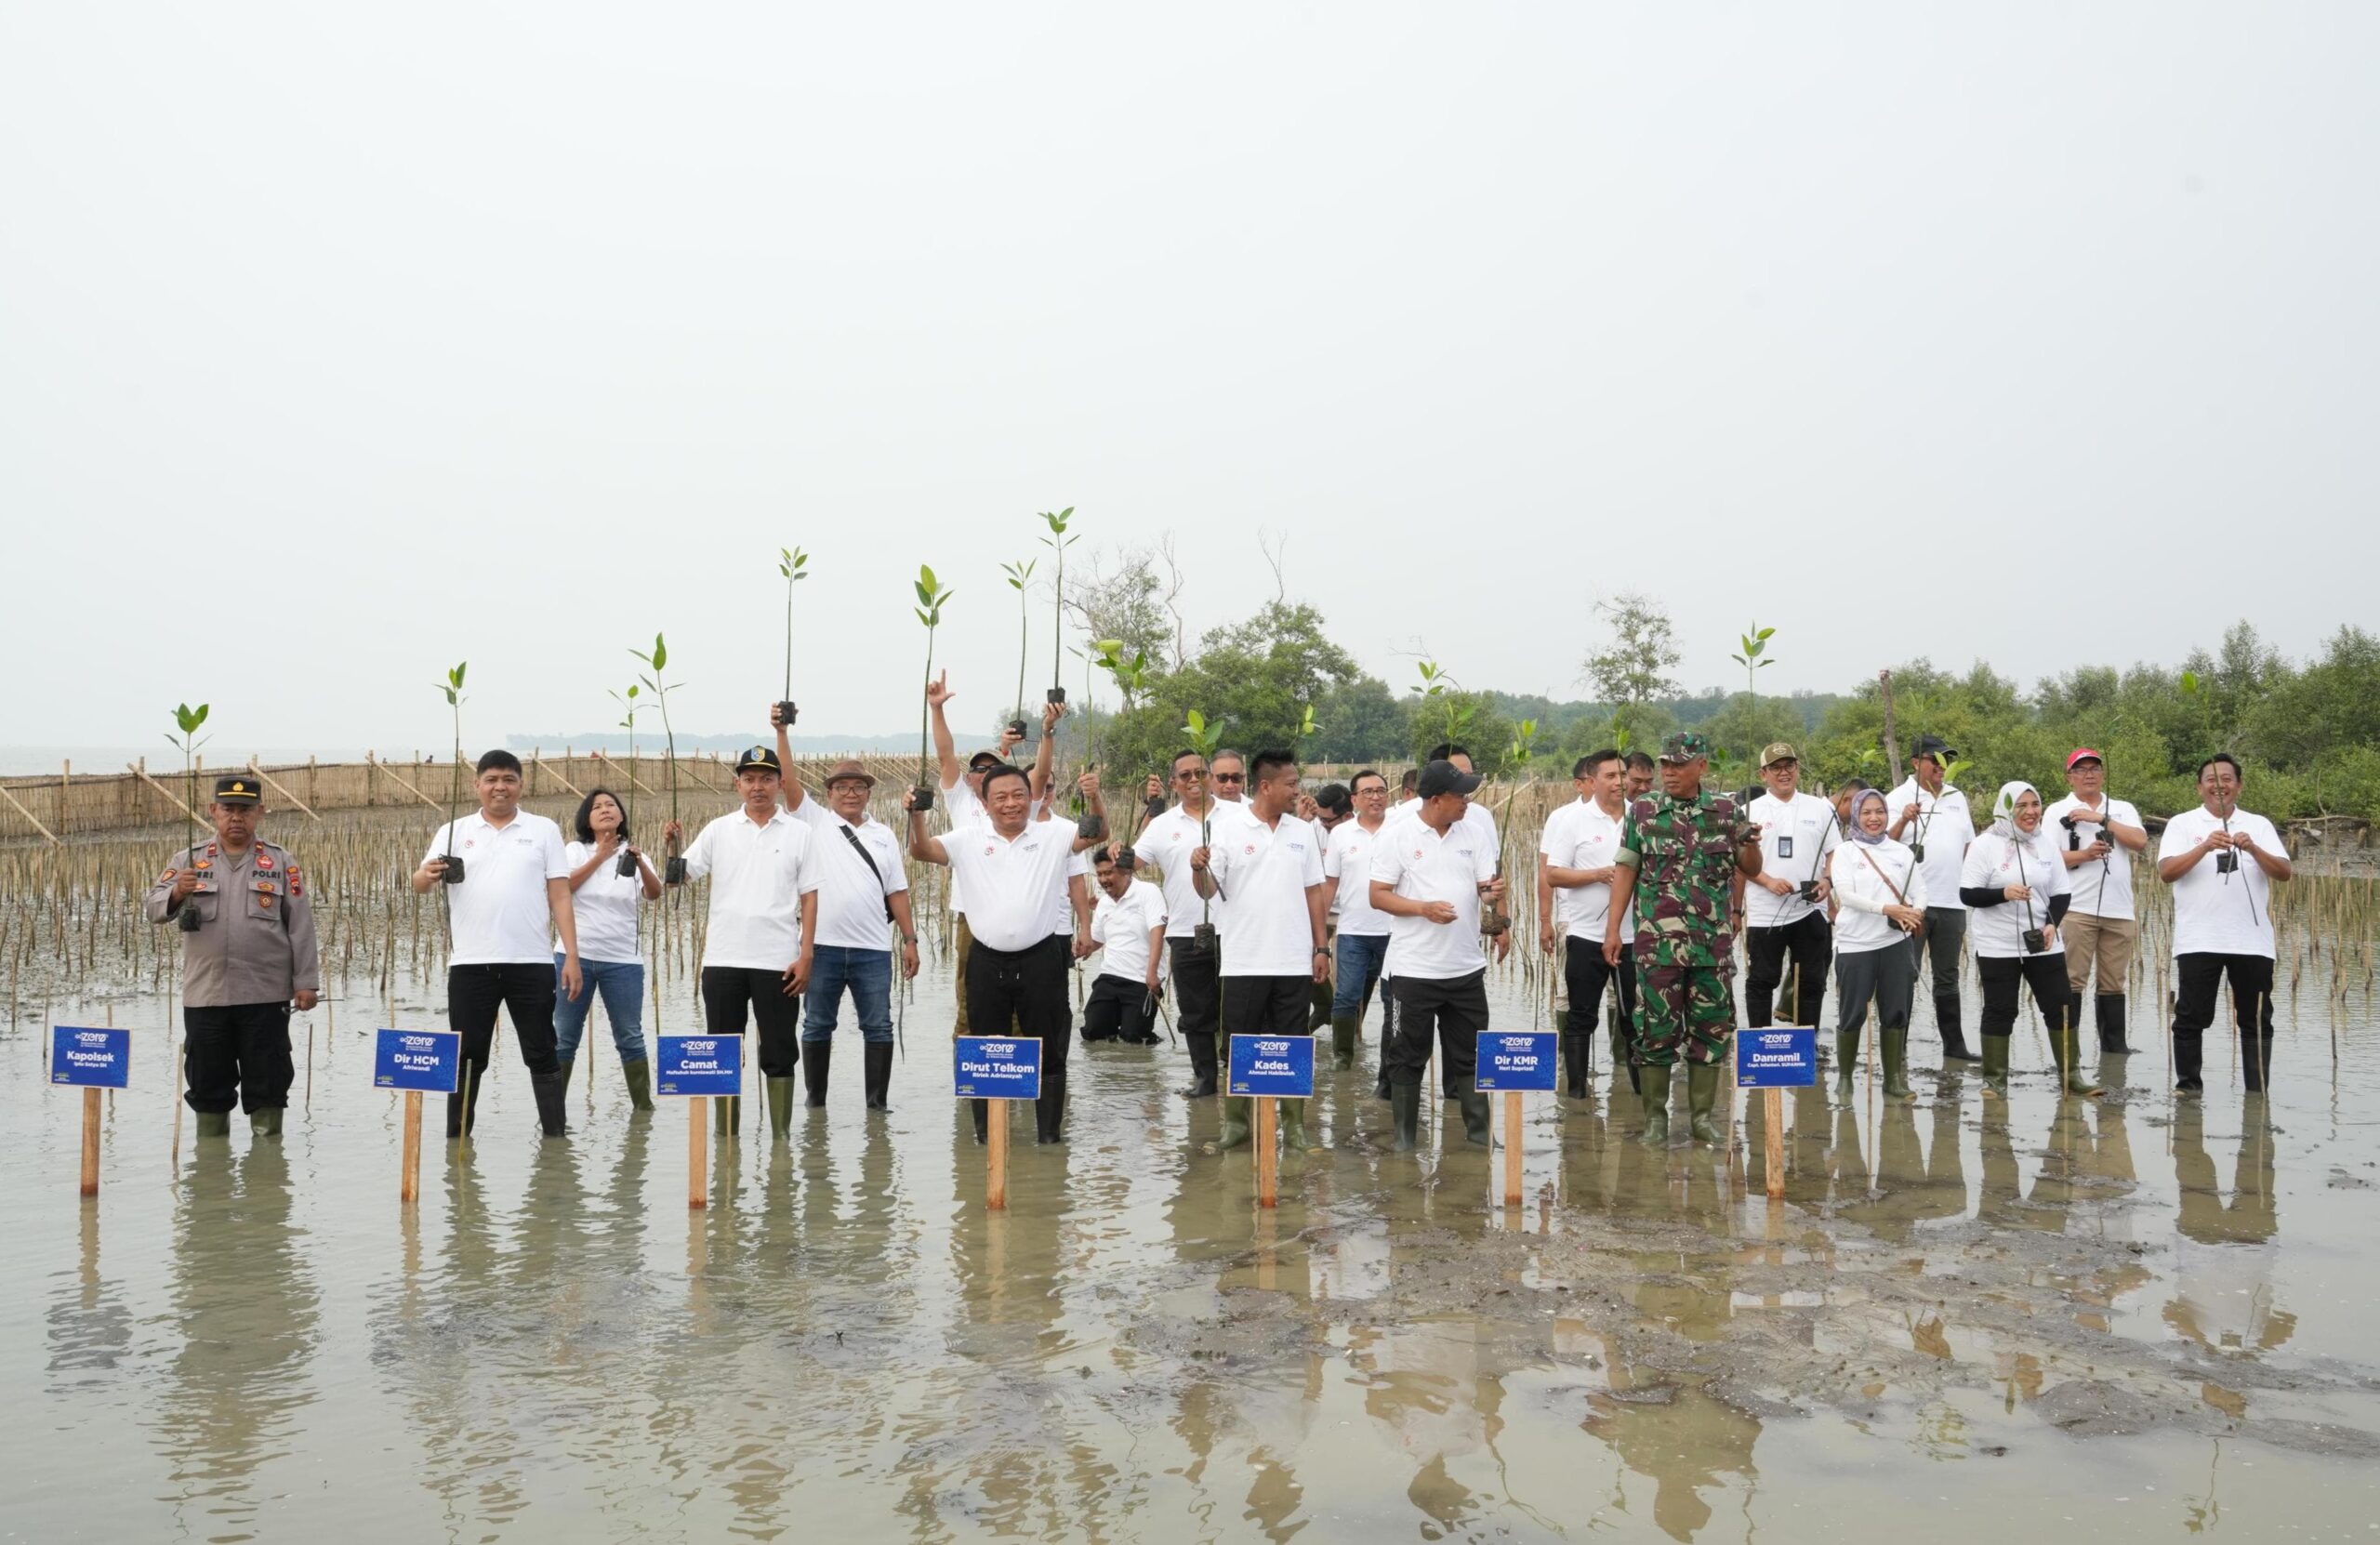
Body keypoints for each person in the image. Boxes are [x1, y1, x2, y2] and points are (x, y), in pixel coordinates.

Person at [908, 763, 1097, 1142]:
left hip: (1041, 958)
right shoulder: (967, 838)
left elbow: (1096, 833)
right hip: (986, 960)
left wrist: (1094, 797)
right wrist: (916, 816)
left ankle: (1049, 1138)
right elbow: (922, 851)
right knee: (985, 1049)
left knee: (1049, 1049)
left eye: (1018, 796)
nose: (1011, 804)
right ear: (985, 801)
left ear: (1032, 799)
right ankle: (986, 1137)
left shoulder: (1053, 834)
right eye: (1001, 797)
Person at [1604, 733, 1763, 1147]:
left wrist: (1748, 842)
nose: (1669, 772)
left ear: (1701, 767)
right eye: (1666, 765)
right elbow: (1626, 870)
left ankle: (1702, 1120)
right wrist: (1613, 930)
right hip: (1657, 947)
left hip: (1711, 947)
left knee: (1711, 1032)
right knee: (1654, 1030)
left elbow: (1749, 867)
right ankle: (1656, 1120)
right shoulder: (1643, 811)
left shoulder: (1728, 811)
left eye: (1679, 765)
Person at [413, 750, 581, 1140]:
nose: (499, 787)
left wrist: (570, 954)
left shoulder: (543, 830)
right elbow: (420, 885)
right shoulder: (453, 831)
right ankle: (458, 1142)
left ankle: (555, 1141)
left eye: (508, 779)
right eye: (491, 780)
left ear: (521, 785)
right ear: (477, 786)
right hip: (471, 964)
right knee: (468, 1057)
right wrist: (425, 874)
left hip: (532, 961)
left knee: (542, 1051)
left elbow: (559, 894)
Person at [144, 775, 320, 1139]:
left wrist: (305, 983)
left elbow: (301, 925)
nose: (236, 818)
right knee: (208, 1090)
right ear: (213, 811)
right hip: (206, 996)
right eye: (228, 809)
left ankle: (267, 1179)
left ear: (260, 812)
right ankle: (211, 1178)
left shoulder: (280, 861)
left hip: (266, 996)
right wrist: (178, 891)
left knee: (269, 1086)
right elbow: (153, 909)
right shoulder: (189, 860)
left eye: (245, 810)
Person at [664, 745, 820, 1139]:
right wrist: (671, 845)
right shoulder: (718, 830)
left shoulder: (801, 833)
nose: (758, 787)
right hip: (723, 960)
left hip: (778, 961)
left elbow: (810, 896)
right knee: (722, 1052)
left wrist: (806, 955)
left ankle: (781, 1141)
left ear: (780, 784)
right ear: (738, 785)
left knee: (779, 1053)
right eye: (749, 779)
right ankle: (726, 1136)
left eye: (766, 779)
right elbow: (680, 876)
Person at [774, 712, 921, 1113]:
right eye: (843, 787)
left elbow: (898, 891)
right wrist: (781, 733)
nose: (851, 794)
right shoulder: (814, 822)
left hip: (873, 950)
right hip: (820, 949)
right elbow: (787, 780)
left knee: (878, 1026)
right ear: (829, 793)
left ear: (869, 794)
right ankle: (815, 1102)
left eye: (859, 787)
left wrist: (910, 941)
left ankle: (877, 1105)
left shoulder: (884, 835)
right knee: (817, 1025)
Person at [1194, 748, 1329, 1152]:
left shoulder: (1302, 832)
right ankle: (1236, 1125)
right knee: (1239, 1043)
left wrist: (1321, 947)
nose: (1297, 791)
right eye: (1290, 784)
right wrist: (1196, 867)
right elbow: (1208, 890)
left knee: (1294, 1043)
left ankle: (1295, 1127)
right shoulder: (1228, 829)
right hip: (1243, 959)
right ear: (1266, 786)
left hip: (1293, 958)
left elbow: (1314, 892)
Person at [1370, 759, 1507, 1149]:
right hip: (1413, 969)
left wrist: (1491, 896)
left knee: (1471, 1054)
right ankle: (1404, 1139)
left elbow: (1482, 888)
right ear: (1435, 800)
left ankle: (1480, 1135)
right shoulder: (1396, 835)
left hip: (1465, 966)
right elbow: (1377, 895)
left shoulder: (1474, 832)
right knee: (1407, 1055)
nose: (1467, 801)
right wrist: (1423, 908)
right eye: (1460, 794)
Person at [2156, 753, 2292, 1095]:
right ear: (2200, 787)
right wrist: (2204, 847)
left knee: (2256, 1019)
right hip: (2199, 940)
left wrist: (2254, 848)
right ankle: (2188, 1091)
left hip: (2252, 941)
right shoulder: (2182, 824)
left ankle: (2257, 1094)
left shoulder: (2258, 824)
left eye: (2227, 779)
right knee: (2190, 1017)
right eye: (2212, 780)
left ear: (2239, 786)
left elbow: (2284, 873)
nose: (2220, 786)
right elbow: (2167, 873)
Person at [926, 673, 1048, 1035]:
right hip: (972, 914)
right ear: (969, 778)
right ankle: (967, 1074)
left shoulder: (1017, 807)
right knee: (968, 995)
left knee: (1022, 1005)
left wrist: (1045, 732)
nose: (984, 773)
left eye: (992, 768)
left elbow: (1039, 774)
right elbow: (946, 754)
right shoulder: (962, 803)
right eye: (977, 769)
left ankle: (1018, 1074)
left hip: (1021, 914)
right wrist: (936, 710)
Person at [1960, 782, 2097, 1099]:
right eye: (2021, 806)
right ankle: (1995, 1081)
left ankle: (2071, 1076)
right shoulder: (1984, 845)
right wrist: (2003, 893)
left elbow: (2061, 892)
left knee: (2060, 1006)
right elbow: (1968, 893)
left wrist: (2052, 925)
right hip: (1997, 944)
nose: (2031, 812)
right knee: (2000, 1009)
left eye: (2035, 804)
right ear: (2005, 810)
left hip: (2043, 942)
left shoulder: (2046, 844)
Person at [1134, 749, 1245, 1097]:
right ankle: (1204, 1079)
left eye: (1200, 773)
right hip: (1185, 931)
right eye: (1185, 776)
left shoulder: (1242, 815)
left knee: (1240, 1010)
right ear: (1173, 784)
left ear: (1211, 776)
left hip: (1239, 930)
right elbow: (1131, 864)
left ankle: (1240, 1077)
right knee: (1196, 1012)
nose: (1194, 780)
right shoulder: (1162, 824)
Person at [553, 787, 661, 1111]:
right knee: (564, 1038)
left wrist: (641, 863)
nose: (605, 810)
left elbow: (653, 893)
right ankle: (553, 1111)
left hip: (623, 960)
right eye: (597, 806)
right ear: (587, 818)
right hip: (575, 957)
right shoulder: (574, 850)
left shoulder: (633, 852)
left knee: (630, 1036)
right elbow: (564, 887)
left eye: (611, 805)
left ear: (621, 815)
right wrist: (600, 856)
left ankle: (643, 1113)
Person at [1540, 750, 1637, 1097]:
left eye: (1623, 775)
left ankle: (1634, 1094)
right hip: (1585, 935)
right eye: (1610, 776)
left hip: (1633, 936)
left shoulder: (1638, 818)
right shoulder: (1572, 821)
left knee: (1633, 1018)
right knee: (1582, 1017)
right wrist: (1598, 874)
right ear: (1591, 781)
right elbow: (1553, 874)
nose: (1619, 782)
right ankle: (1577, 1096)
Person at [2044, 748, 2149, 1058]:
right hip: (2076, 909)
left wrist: (2101, 818)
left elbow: (2140, 841)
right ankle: (2068, 1051)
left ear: (2102, 774)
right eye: (2081, 769)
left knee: (2113, 982)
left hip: (2119, 910)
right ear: (2069, 777)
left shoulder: (2122, 808)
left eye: (2094, 768)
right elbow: (2047, 860)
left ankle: (2114, 1049)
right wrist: (2084, 855)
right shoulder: (2056, 811)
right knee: (2072, 980)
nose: (2088, 774)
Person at [1829, 787, 1927, 1098]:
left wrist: (1915, 913)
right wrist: (1886, 908)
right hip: (1855, 945)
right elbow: (1845, 895)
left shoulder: (1901, 852)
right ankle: (1845, 1078)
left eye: (1880, 812)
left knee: (1896, 1010)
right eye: (1867, 812)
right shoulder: (1846, 851)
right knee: (1852, 1012)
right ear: (1856, 814)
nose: (1874, 818)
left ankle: (1893, 1079)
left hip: (1895, 943)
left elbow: (1921, 891)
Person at [1885, 735, 1979, 1062]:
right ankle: (1898, 1046)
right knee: (1905, 974)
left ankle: (1955, 1046)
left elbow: (1969, 846)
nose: (1941, 767)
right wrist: (1903, 819)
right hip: (1913, 905)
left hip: (1953, 902)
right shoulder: (1897, 798)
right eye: (1934, 760)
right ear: (1915, 762)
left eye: (1945, 761)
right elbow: (1881, 847)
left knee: (1948, 975)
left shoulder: (1957, 797)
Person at [1743, 744, 1835, 1032]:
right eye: (1775, 768)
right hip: (1765, 910)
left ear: (1797, 768)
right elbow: (1739, 861)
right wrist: (1767, 880)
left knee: (1811, 979)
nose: (1784, 773)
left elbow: (1834, 852)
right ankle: (1759, 1041)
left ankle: (1807, 1043)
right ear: (1763, 774)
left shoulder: (1820, 808)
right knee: (1762, 979)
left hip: (1810, 907)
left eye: (1789, 766)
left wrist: (1827, 881)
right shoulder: (1748, 811)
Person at [1323, 769, 1394, 1074]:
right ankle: (1342, 1060)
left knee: (1395, 1000)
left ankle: (1391, 1063)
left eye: (1380, 791)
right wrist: (1316, 937)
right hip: (1352, 931)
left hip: (1395, 931)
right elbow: (1329, 886)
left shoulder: (1401, 830)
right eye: (1368, 792)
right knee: (1346, 996)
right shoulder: (1340, 834)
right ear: (1354, 799)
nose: (1375, 797)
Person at [1083, 844, 1166, 1045]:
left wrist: (1152, 973)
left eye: (1108, 873)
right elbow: (1096, 940)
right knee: (1093, 1031)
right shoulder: (1103, 903)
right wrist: (1077, 949)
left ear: (1127, 871)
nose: (1103, 880)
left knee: (1133, 1037)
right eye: (1099, 874)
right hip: (1110, 975)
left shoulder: (1148, 892)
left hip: (1141, 979)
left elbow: (1158, 931)